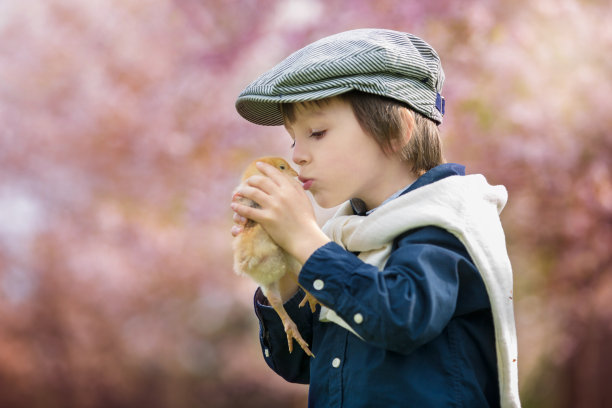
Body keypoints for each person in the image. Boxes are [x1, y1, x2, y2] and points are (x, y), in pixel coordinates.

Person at [230, 28, 520, 408]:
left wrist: (304, 238)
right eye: (292, 139)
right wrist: (282, 266)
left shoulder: (445, 223)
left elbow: (399, 317)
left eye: (317, 132)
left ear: (397, 128)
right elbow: (301, 362)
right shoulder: (346, 236)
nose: (297, 154)